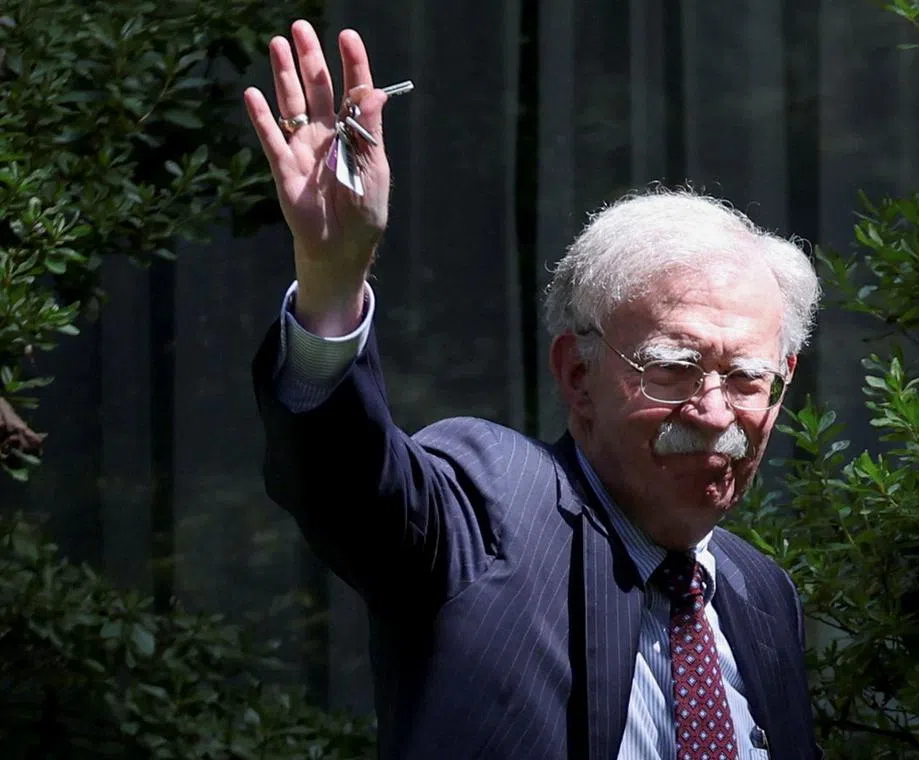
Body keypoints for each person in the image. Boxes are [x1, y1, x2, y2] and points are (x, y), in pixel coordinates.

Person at [245, 19, 823, 760]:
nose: (714, 415)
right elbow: (345, 483)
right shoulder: (490, 512)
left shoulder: (760, 594)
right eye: (672, 369)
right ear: (578, 375)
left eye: (746, 379)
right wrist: (332, 278)